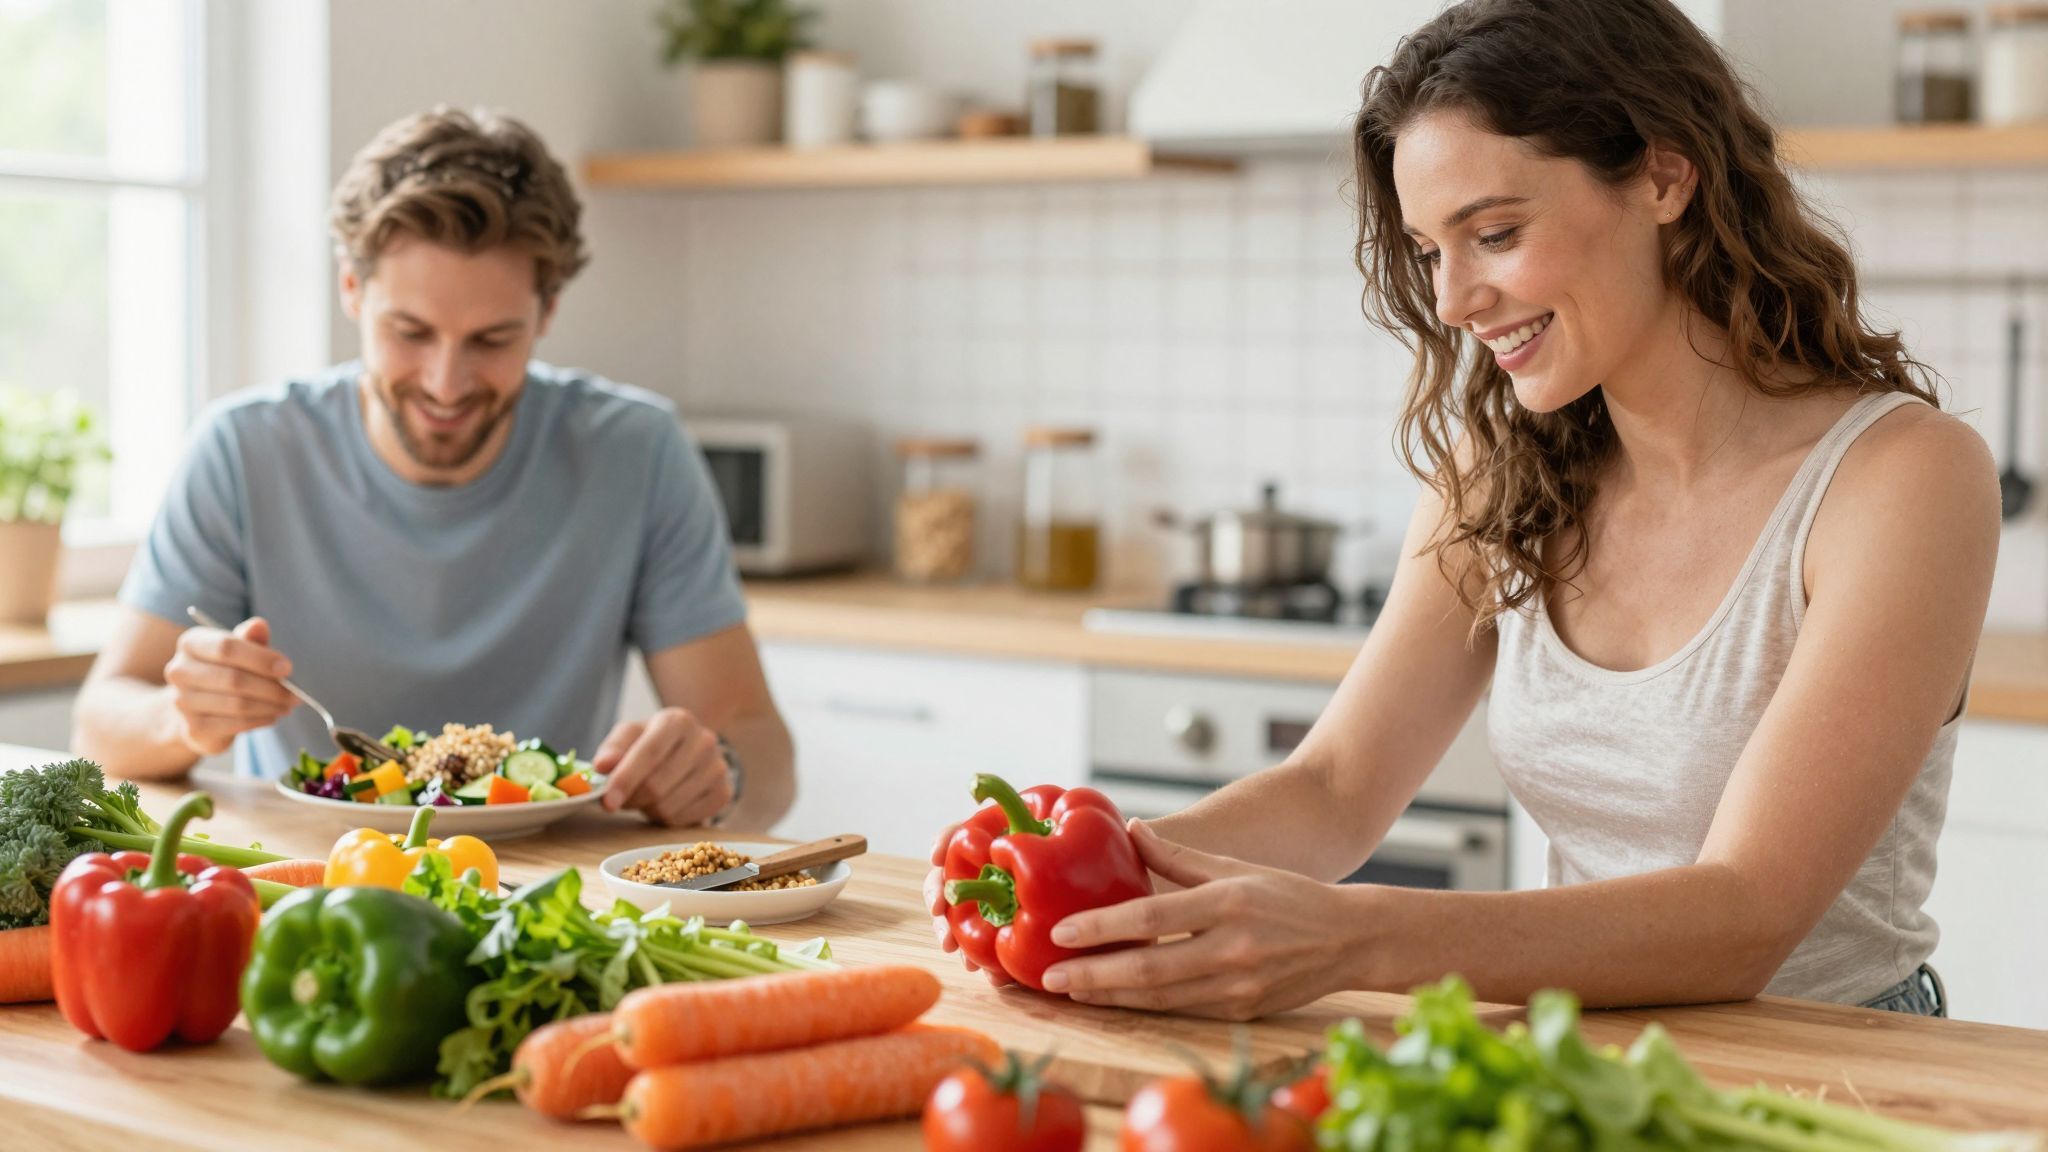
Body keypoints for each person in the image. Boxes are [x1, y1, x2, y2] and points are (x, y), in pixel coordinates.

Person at [928, 0, 1996, 1019]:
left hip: (1843, 1075)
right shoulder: (1504, 477)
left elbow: (1746, 912)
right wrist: (1091, 875)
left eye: (1492, 232)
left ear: (1665, 175)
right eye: (1429, 250)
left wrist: (1354, 939)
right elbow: (1334, 788)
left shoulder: (1900, 479)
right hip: (1576, 1050)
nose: (1448, 303)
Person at [73, 107, 794, 830]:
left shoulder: (635, 450)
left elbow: (766, 758)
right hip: (311, 886)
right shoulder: (244, 449)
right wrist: (183, 718)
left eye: (492, 339)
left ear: (547, 312)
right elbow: (99, 728)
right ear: (352, 292)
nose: (446, 384)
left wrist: (716, 773)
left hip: (548, 887)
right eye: (410, 332)